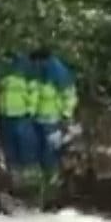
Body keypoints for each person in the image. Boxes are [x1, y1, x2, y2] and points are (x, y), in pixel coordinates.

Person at [27, 47, 77, 202]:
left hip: (53, 123)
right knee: (40, 158)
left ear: (42, 61)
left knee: (50, 158)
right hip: (38, 122)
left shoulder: (59, 73)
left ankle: (51, 195)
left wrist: (66, 117)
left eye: (36, 63)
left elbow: (69, 97)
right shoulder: (40, 73)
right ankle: (41, 194)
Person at [0, 53, 35, 190]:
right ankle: (16, 182)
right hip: (8, 117)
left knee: (22, 149)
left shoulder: (27, 74)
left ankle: (27, 182)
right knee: (11, 149)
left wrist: (30, 111)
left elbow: (33, 94)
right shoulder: (3, 75)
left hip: (20, 117)